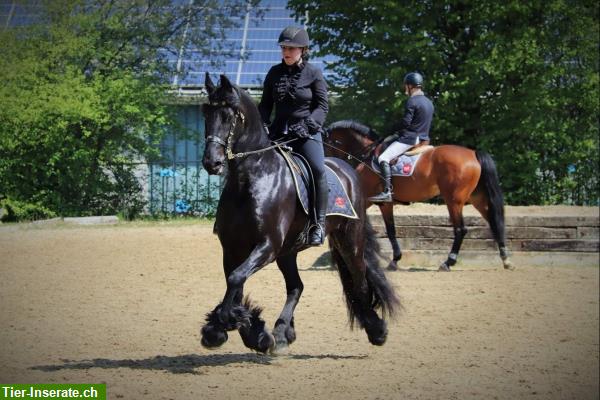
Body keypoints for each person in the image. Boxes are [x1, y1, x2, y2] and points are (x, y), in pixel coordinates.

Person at [258, 26, 329, 246]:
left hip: (307, 134)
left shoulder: (314, 73)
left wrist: (308, 125)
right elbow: (265, 106)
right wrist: (262, 126)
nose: (286, 51)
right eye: (283, 47)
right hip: (278, 134)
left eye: (291, 48)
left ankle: (318, 224)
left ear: (303, 50)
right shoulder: (273, 73)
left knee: (318, 170)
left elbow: (322, 106)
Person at [369, 72, 434, 203]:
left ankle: (387, 192)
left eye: (406, 86)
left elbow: (406, 122)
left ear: (410, 86)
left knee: (383, 158)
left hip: (410, 139)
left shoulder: (412, 101)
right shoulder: (428, 102)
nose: (405, 89)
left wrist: (391, 129)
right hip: (424, 139)